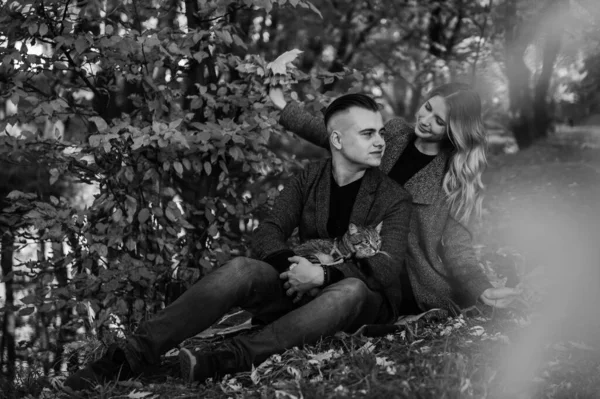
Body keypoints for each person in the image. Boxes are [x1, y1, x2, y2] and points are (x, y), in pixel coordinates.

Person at [64, 94, 412, 390]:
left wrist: (322, 277)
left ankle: (226, 359)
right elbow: (268, 230)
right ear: (337, 140)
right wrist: (294, 270)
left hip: (360, 299)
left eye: (380, 133)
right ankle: (129, 356)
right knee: (240, 269)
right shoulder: (310, 177)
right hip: (300, 282)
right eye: (368, 134)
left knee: (349, 289)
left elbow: (386, 266)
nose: (380, 141)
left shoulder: (392, 197)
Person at [269, 82, 521, 314]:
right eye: (428, 108)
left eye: (439, 121)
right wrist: (284, 106)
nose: (426, 120)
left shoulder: (452, 178)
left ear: (453, 130)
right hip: (352, 253)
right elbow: (336, 137)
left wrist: (482, 288)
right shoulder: (394, 133)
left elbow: (457, 246)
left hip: (404, 276)